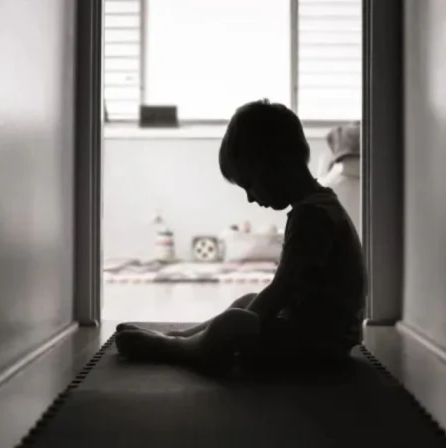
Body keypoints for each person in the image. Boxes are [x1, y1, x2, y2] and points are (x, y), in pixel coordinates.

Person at [115, 99, 367, 374]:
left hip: (319, 347)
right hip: (322, 334)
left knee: (236, 320)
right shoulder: (319, 204)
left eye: (249, 185)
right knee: (246, 302)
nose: (250, 198)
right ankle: (183, 337)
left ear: (274, 166)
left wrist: (241, 327)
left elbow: (281, 290)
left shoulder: (312, 216)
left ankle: (177, 348)